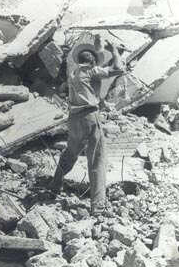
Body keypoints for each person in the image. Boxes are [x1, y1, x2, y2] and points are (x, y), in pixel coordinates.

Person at [50, 33, 126, 216]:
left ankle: (55, 184)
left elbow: (98, 70)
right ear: (92, 62)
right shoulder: (92, 72)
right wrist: (115, 51)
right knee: (97, 159)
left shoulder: (74, 73)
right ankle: (98, 205)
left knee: (70, 152)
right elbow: (118, 69)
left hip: (74, 119)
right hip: (90, 118)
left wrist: (98, 49)